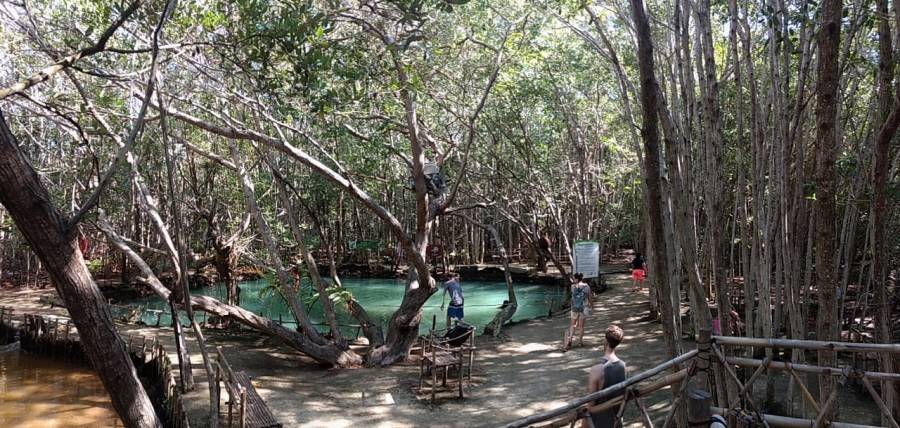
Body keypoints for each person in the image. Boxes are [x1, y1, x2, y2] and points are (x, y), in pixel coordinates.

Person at [583, 325, 627, 428]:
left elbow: (591, 406)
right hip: (617, 420)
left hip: (599, 423)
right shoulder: (623, 366)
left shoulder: (597, 370)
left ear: (605, 341)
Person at [565, 273, 592, 349]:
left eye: (574, 278)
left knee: (572, 325)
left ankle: (570, 340)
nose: (573, 280)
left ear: (576, 279)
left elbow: (573, 296)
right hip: (583, 308)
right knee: (581, 326)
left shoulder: (572, 286)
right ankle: (580, 342)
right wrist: (592, 306)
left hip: (574, 308)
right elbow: (590, 297)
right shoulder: (587, 287)